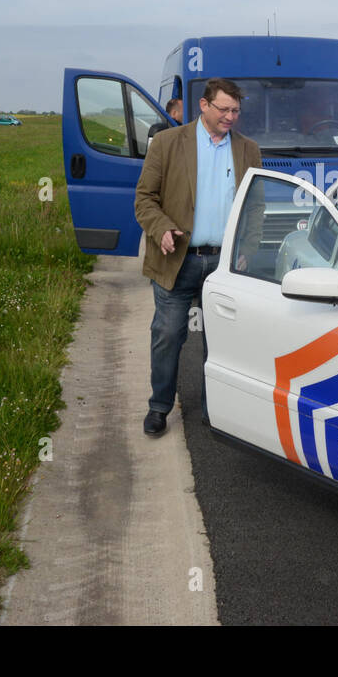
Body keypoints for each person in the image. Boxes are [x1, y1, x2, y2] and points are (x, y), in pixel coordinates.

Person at [134, 78, 262, 437]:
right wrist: (160, 229)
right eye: (224, 109)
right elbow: (144, 199)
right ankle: (159, 407)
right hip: (179, 260)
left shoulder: (249, 150)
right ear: (203, 106)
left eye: (236, 110)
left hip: (225, 266)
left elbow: (256, 207)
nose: (231, 117)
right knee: (168, 335)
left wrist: (247, 252)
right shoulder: (167, 143)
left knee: (220, 342)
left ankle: (214, 410)